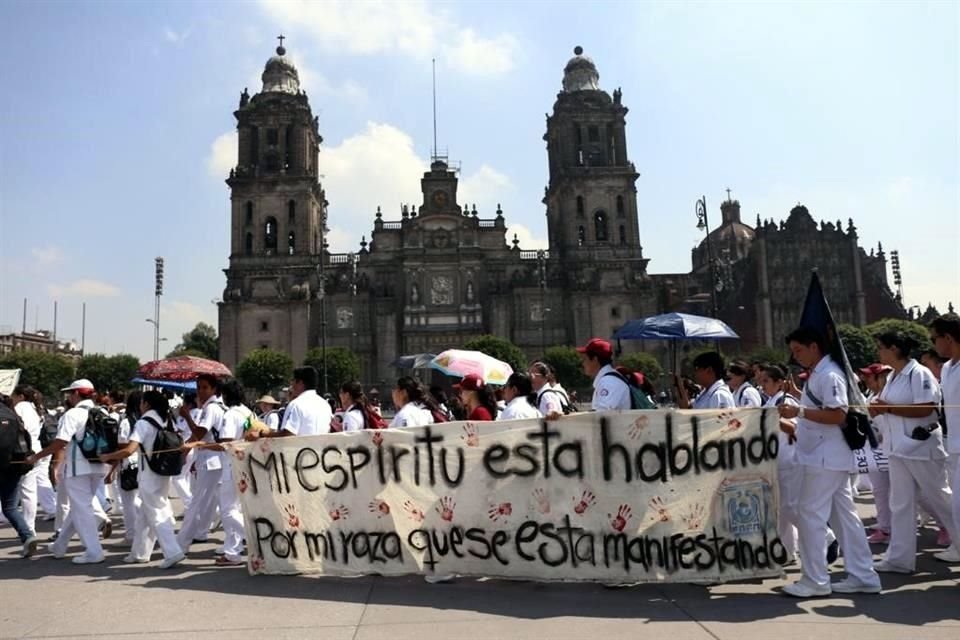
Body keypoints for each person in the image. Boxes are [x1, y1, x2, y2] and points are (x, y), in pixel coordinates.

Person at [777, 327, 881, 597]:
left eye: (799, 350)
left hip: (825, 456)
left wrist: (798, 410)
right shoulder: (820, 373)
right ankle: (863, 575)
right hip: (824, 454)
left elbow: (837, 415)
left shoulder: (830, 373)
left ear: (814, 346)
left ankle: (816, 580)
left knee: (810, 514)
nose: (795, 356)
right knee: (844, 518)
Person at [870, 331, 960, 572]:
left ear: (894, 349)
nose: (879, 352)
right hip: (897, 448)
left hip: (920, 447)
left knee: (941, 498)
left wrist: (887, 408)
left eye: (882, 347)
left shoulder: (919, 373)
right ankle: (900, 558)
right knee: (900, 503)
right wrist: (880, 409)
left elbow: (925, 409)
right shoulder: (893, 378)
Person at [99, 391, 185, 569]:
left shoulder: (143, 423)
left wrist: (108, 456)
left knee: (156, 513)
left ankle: (172, 551)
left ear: (146, 404)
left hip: (148, 474)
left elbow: (129, 450)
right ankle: (139, 553)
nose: (140, 405)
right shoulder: (166, 420)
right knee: (145, 515)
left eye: (142, 402)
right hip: (162, 471)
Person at [28, 379, 107, 564]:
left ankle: (94, 551)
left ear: (77, 394)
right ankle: (60, 545)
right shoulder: (102, 411)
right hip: (99, 465)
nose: (69, 397)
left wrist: (37, 456)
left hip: (78, 467)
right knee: (79, 507)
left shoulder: (73, 414)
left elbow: (60, 442)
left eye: (70, 393)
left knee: (82, 508)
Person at [176, 373, 226, 553]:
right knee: (217, 503)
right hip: (216, 459)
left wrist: (187, 416)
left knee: (197, 502)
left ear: (213, 389)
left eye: (205, 387)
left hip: (211, 459)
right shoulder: (219, 407)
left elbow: (199, 433)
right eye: (198, 388)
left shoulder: (211, 408)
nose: (201, 391)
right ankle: (203, 532)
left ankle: (181, 544)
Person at [759, 364, 801, 563]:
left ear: (780, 383)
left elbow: (793, 427)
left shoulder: (787, 402)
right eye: (762, 381)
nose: (763, 385)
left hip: (789, 459)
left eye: (767, 381)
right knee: (781, 511)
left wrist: (771, 418)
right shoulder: (771, 402)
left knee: (790, 507)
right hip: (776, 459)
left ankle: (827, 537)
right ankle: (787, 551)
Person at [209, 379, 251, 566]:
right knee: (236, 508)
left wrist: (203, 446)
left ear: (226, 395)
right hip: (247, 465)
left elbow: (226, 442)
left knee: (227, 511)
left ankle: (253, 537)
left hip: (232, 465)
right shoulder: (248, 412)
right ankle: (232, 552)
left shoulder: (231, 414)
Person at [930, 313, 960, 563]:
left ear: (948, 338)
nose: (933, 344)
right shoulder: (948, 369)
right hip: (954, 445)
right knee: (957, 508)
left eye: (935, 339)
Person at [12, 385, 55, 533]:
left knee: (21, 490)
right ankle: (30, 527)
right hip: (36, 449)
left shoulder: (21, 408)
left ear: (21, 396)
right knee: (30, 491)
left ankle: (25, 526)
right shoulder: (36, 410)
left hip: (22, 451)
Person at [858, 363, 893, 544]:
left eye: (869, 376)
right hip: (876, 450)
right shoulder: (871, 395)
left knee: (921, 495)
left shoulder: (889, 397)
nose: (865, 380)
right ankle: (885, 527)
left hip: (894, 449)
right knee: (880, 490)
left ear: (881, 378)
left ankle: (945, 526)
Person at [246, 367, 332, 439]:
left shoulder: (296, 404)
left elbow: (288, 434)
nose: (291, 384)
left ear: (300, 383)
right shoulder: (325, 405)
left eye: (293, 380)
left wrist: (262, 434)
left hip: (298, 456)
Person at [0, 397, 38, 557]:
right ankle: (27, 536)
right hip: (14, 465)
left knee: (10, 507)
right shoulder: (13, 415)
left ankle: (27, 536)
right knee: (10, 507)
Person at [114, 390, 142, 545]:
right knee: (137, 498)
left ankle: (131, 534)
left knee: (129, 502)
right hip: (142, 463)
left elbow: (122, 443)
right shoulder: (144, 420)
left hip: (128, 463)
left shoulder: (126, 422)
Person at [576, 338, 630, 411]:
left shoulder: (608, 382)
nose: (583, 363)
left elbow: (602, 416)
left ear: (595, 360)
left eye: (585, 359)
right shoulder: (608, 379)